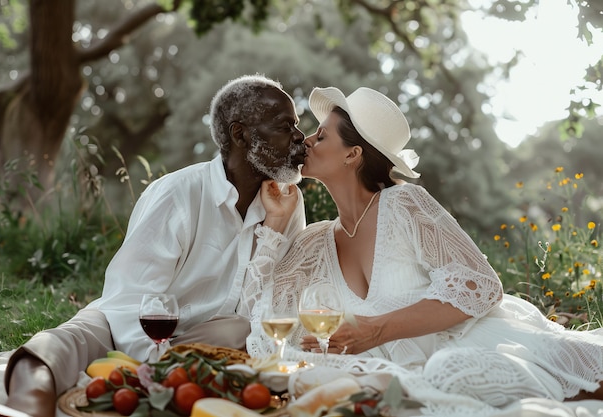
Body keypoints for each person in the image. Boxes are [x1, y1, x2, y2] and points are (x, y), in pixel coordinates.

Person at [240, 85, 603, 409]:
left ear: (353, 155)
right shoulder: (315, 241)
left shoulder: (405, 204)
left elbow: (481, 285)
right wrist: (275, 222)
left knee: (448, 372)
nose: (306, 142)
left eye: (321, 137)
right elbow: (260, 314)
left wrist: (377, 329)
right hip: (402, 380)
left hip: (475, 347)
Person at [2, 74, 307, 417]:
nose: (300, 137)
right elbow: (130, 298)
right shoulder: (179, 194)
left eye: (297, 125)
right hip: (130, 323)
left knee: (240, 329)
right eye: (285, 126)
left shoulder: (286, 206)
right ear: (240, 134)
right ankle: (23, 408)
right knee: (54, 347)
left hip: (217, 340)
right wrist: (154, 369)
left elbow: (272, 308)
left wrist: (277, 225)